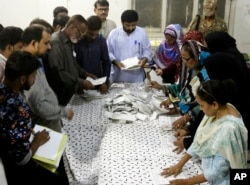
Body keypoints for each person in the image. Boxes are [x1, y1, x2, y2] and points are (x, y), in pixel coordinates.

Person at [0, 51, 69, 185]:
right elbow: (23, 159)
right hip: (16, 171)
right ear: (23, 79)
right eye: (33, 76)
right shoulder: (21, 110)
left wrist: (25, 129)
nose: (35, 80)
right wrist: (37, 140)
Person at [161, 79, 248, 185]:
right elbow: (200, 140)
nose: (200, 109)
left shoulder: (228, 130)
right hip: (211, 173)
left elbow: (218, 170)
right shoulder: (220, 108)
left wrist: (187, 182)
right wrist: (179, 164)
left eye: (201, 105)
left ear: (214, 104)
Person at [22, 24, 74, 133]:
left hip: (50, 124)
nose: (49, 47)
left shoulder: (36, 61)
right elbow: (39, 106)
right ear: (34, 43)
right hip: (43, 129)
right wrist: (64, 112)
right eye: (46, 43)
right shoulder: (25, 68)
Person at [204, 31, 250, 150]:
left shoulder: (219, 61)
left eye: (207, 46)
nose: (205, 50)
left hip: (234, 116)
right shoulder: (235, 56)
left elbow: (212, 97)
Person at [44, 14, 95, 106]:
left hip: (70, 92)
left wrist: (85, 74)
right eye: (81, 33)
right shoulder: (56, 42)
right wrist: (80, 82)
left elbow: (73, 64)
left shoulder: (70, 41)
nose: (81, 37)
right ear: (72, 28)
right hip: (60, 95)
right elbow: (58, 71)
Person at [107, 9, 152, 84]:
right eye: (127, 25)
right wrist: (115, 61)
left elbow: (147, 50)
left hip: (137, 75)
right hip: (119, 74)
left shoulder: (141, 33)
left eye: (133, 25)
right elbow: (108, 51)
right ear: (122, 23)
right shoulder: (114, 34)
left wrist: (144, 59)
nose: (130, 28)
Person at [76, 15, 111, 94]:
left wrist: (105, 81)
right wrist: (79, 83)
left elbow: (106, 63)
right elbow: (74, 64)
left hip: (98, 82)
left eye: (96, 34)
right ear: (85, 29)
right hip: (80, 83)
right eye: (91, 34)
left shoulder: (101, 41)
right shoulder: (77, 41)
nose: (93, 37)